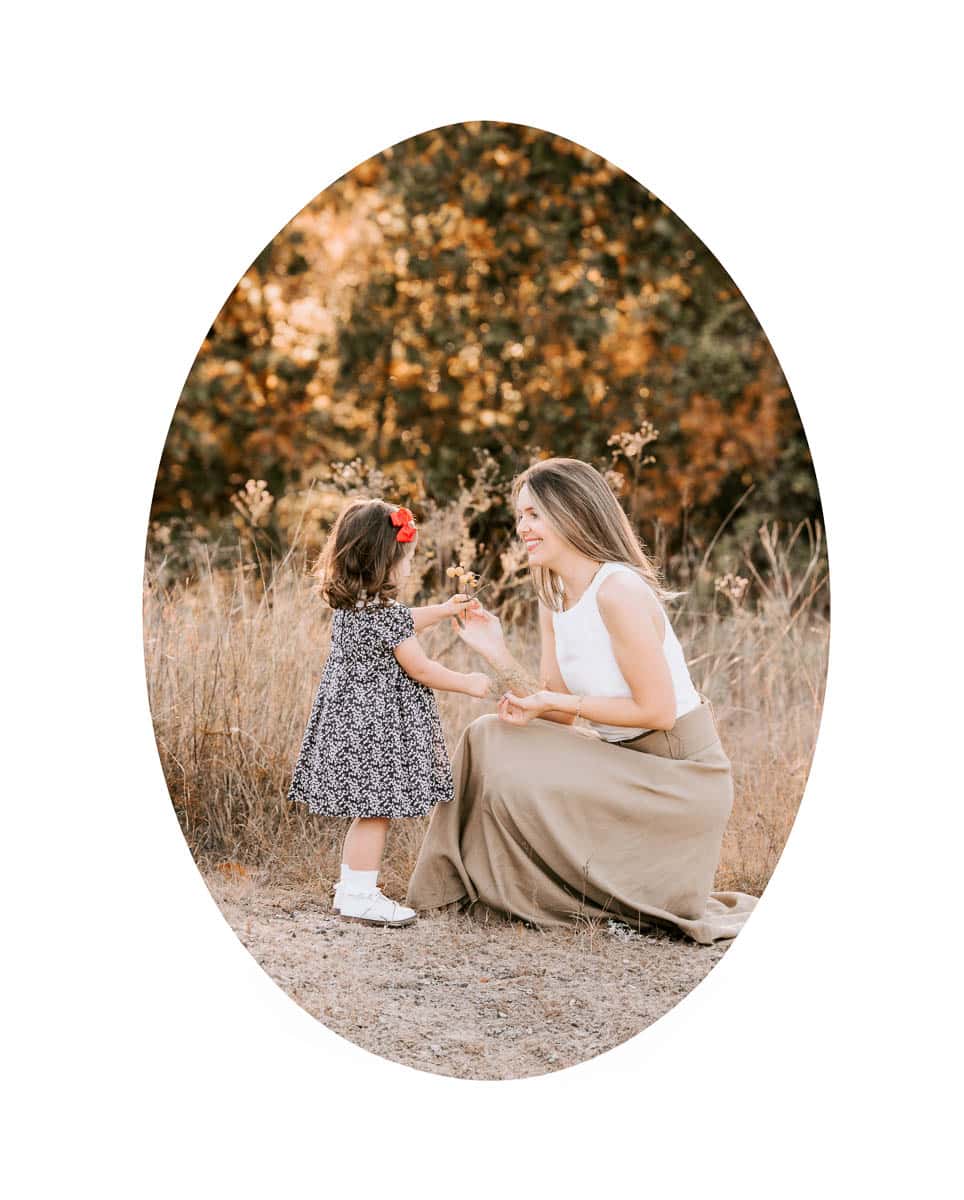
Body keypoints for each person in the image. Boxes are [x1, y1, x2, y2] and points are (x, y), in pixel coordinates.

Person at [406, 458, 757, 943]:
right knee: (488, 735)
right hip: (625, 763)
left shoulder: (618, 590)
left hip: (679, 776)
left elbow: (655, 712)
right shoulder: (555, 598)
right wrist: (497, 652)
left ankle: (537, 889)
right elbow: (556, 715)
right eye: (520, 516)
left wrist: (555, 699)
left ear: (571, 514)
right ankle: (453, 889)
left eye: (534, 515)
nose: (521, 527)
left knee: (493, 738)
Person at [287, 498, 491, 927]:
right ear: (384, 562)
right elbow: (421, 667)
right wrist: (469, 682)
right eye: (406, 560)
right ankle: (360, 894)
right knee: (375, 813)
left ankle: (350, 887)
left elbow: (405, 619)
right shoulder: (385, 618)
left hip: (352, 726)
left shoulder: (353, 609)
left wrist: (446, 609)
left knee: (368, 811)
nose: (410, 568)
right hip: (375, 730)